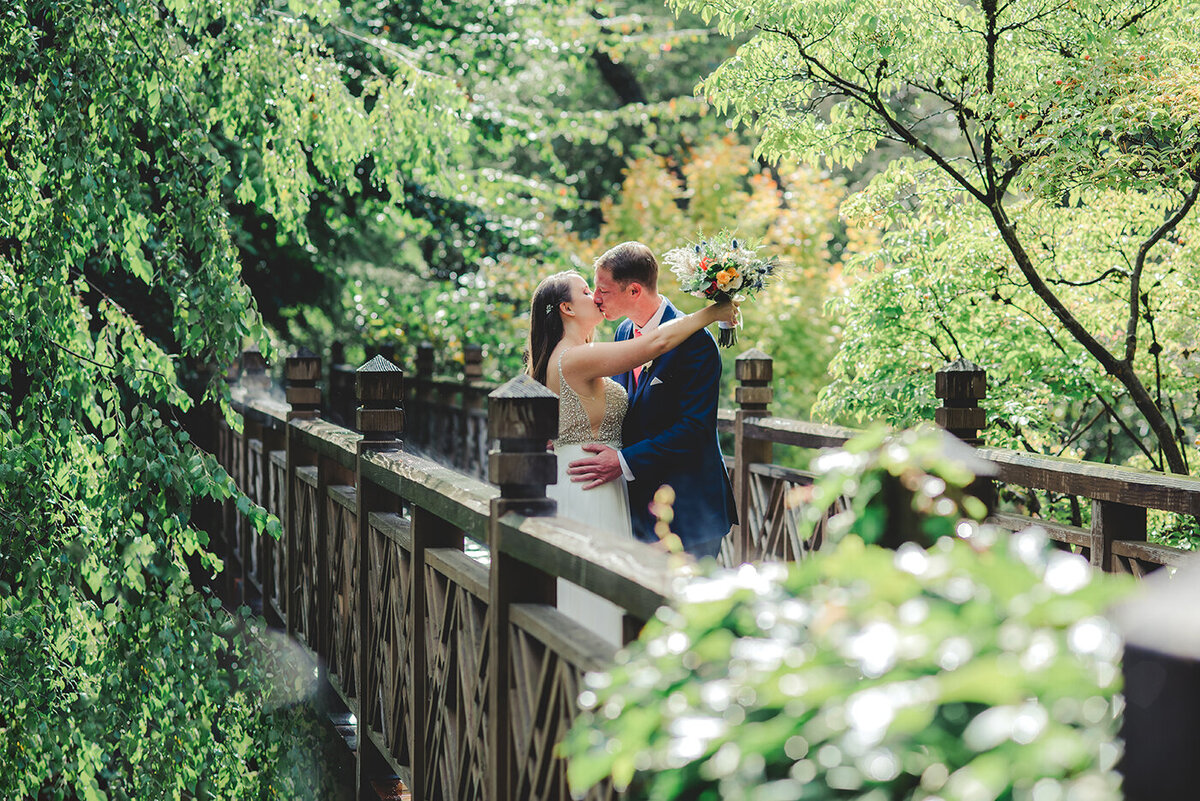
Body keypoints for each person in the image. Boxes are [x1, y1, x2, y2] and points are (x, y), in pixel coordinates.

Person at [526, 269, 735, 644]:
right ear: (567, 308)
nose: (598, 298)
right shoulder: (575, 357)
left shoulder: (577, 354)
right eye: (589, 291)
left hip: (607, 483)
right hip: (588, 483)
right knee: (596, 593)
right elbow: (654, 346)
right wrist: (712, 312)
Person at [567, 241, 738, 560]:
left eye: (603, 290)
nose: (596, 298)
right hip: (636, 511)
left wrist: (622, 461)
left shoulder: (697, 344)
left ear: (634, 291)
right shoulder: (621, 333)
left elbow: (693, 429)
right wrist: (572, 437)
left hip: (688, 512)